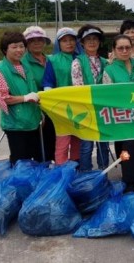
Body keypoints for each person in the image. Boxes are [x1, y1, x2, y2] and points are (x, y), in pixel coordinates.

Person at [0, 32, 41, 165]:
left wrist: (40, 112)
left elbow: (34, 90)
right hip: (16, 125)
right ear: (5, 49)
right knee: (20, 161)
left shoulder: (25, 67)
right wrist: (25, 98)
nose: (19, 50)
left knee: (36, 159)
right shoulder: (1, 71)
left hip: (33, 121)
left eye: (21, 46)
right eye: (14, 47)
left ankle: (33, 185)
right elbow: (2, 98)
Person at [104, 34, 134, 192]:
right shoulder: (109, 70)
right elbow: (108, 96)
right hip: (121, 118)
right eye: (120, 48)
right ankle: (129, 184)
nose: (124, 50)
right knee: (127, 151)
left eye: (127, 47)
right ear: (114, 50)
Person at [71, 24, 111, 172]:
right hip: (86, 109)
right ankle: (86, 174)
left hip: (102, 110)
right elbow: (78, 87)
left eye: (95, 39)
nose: (92, 42)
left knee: (104, 144)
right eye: (88, 39)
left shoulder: (106, 62)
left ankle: (103, 173)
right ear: (82, 42)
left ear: (99, 42)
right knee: (86, 146)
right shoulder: (77, 62)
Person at [42, 27, 82, 165]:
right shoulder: (53, 60)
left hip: (80, 105)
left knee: (78, 137)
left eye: (72, 40)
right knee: (63, 140)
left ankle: (76, 165)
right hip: (61, 107)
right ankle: (61, 169)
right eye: (65, 40)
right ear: (59, 43)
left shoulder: (82, 58)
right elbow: (48, 82)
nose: (69, 43)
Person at [21, 26, 55, 162]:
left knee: (52, 144)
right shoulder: (22, 63)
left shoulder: (51, 60)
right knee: (36, 148)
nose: (37, 43)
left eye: (40, 39)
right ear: (26, 44)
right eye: (32, 40)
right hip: (33, 109)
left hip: (51, 109)